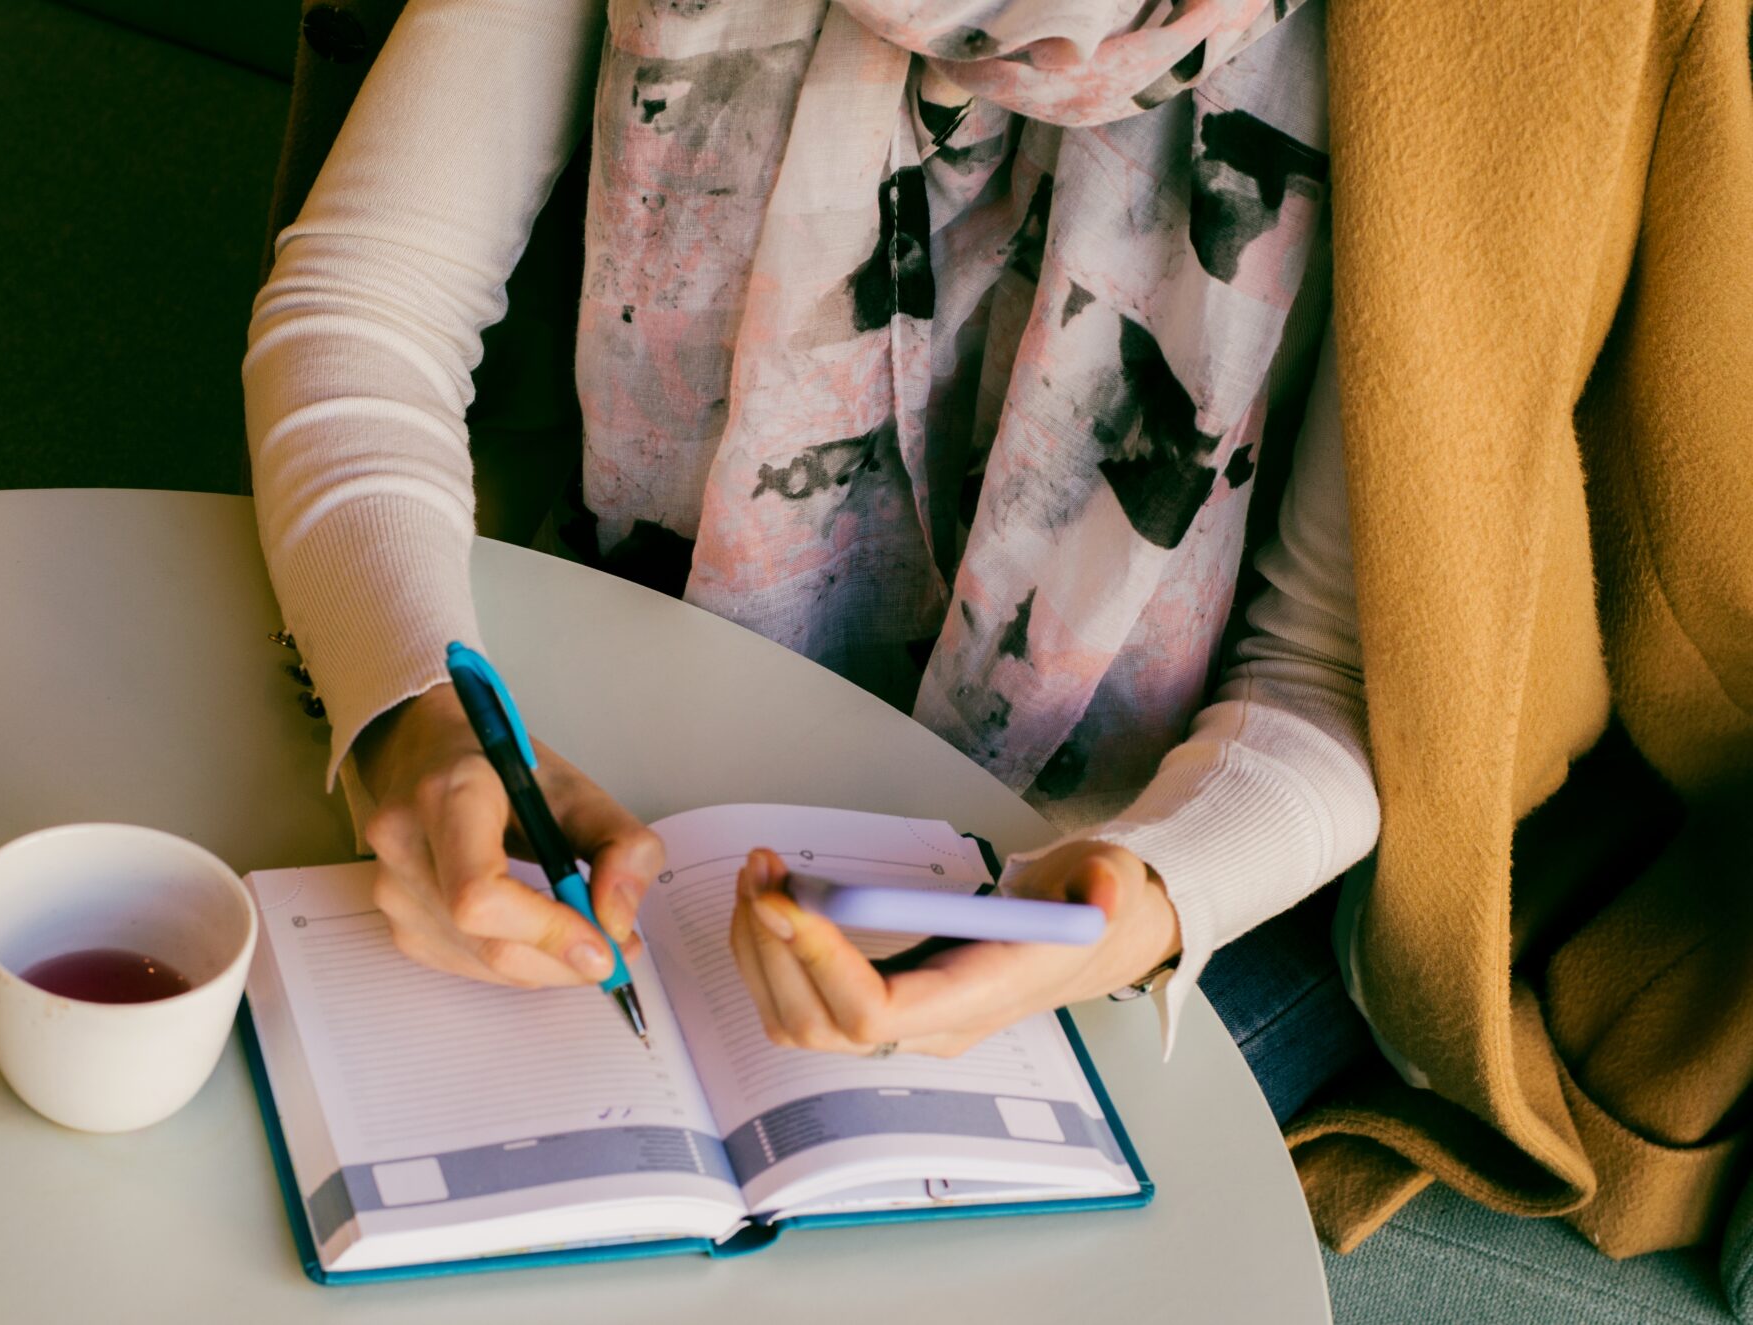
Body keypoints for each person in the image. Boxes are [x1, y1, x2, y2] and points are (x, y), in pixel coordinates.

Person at [244, 0, 1376, 1090]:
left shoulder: (1452, 49)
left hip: (1146, 847)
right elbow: (371, 302)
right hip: (621, 712)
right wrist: (405, 716)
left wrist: (1146, 905)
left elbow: (1333, 672)